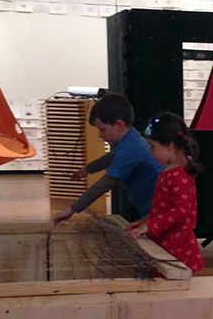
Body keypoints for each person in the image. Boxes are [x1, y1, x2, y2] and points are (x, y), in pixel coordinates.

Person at [53, 93, 162, 225]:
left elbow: (103, 185)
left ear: (119, 125)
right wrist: (87, 169)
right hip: (152, 206)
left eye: (102, 130)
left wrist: (71, 209)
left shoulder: (130, 149)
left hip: (158, 209)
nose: (100, 135)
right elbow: (111, 157)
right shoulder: (131, 139)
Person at [125, 112, 205, 273]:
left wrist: (150, 225)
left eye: (153, 147)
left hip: (176, 246)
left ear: (170, 145)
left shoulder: (179, 175)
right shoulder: (171, 172)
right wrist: (145, 221)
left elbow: (182, 211)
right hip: (165, 240)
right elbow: (165, 209)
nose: (150, 152)